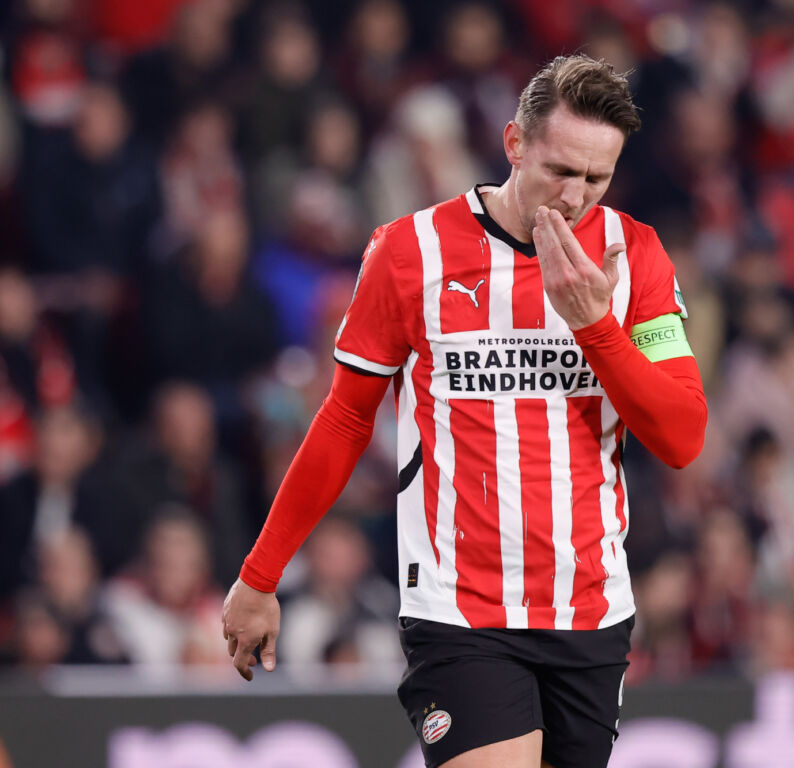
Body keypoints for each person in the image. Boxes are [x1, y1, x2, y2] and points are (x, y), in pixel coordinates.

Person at [221, 54, 708, 768]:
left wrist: (594, 327)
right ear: (514, 143)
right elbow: (345, 420)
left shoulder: (633, 256)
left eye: (596, 178)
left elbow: (681, 436)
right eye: (560, 171)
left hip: (590, 608)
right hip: (461, 609)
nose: (575, 197)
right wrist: (260, 576)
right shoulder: (408, 251)